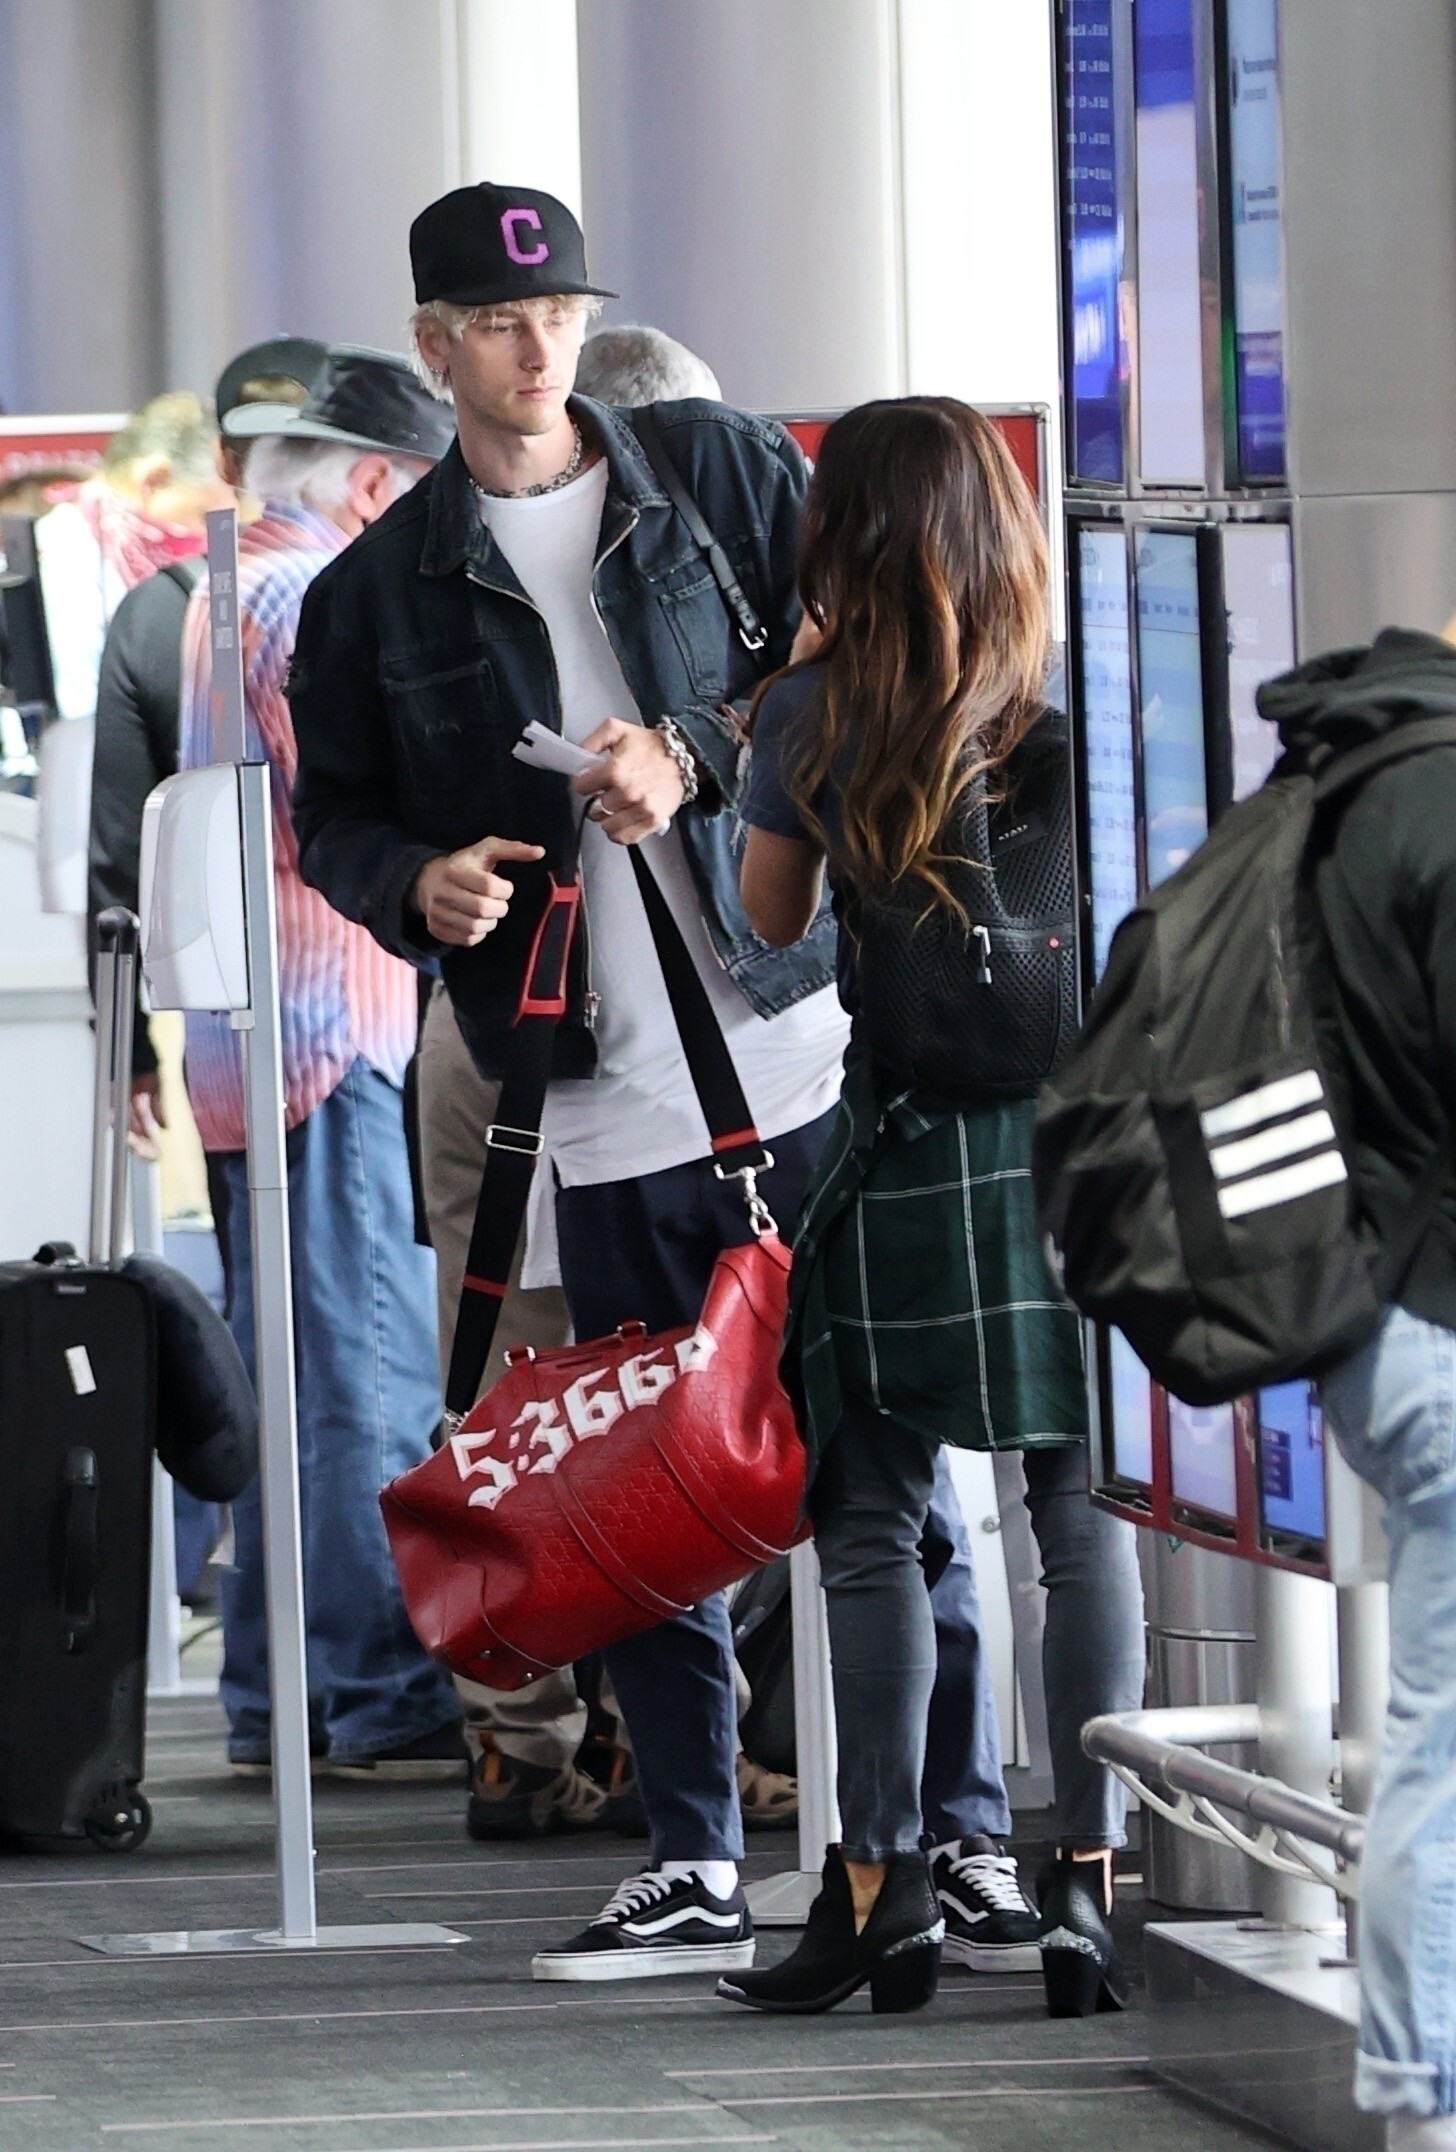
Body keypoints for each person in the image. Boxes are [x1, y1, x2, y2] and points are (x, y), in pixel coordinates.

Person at [288, 181, 850, 1978]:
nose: (539, 348)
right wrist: (417, 885)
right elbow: (335, 817)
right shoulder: (377, 590)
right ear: (434, 346)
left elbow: (839, 676)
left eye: (561, 314)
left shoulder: (720, 475)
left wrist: (691, 751)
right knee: (640, 1479)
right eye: (499, 322)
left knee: (876, 1457)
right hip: (584, 1079)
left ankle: (935, 1838)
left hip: (796, 1036)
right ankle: (695, 1854)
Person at [724, 396, 1145, 2018]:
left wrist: (786, 708)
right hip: (1071, 1149)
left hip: (903, 1144)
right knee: (1077, 1517)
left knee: (872, 1526)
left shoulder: (814, 712)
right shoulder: (1079, 695)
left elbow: (769, 929)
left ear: (848, 536)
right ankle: (1085, 1887)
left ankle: (882, 1891)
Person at [414, 319, 732, 1848]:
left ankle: (531, 1733)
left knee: (522, 1381)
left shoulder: (459, 571)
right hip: (564, 1041)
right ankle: (613, 1737)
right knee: (636, 1382)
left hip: (492, 1029)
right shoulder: (640, 584)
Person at [181, 347, 467, 1780]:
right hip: (331, 1024)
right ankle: (384, 1686)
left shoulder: (219, 588)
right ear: (370, 488)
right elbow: (341, 809)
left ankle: (275, 1691)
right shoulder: (311, 599)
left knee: (280, 1385)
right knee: (363, 1370)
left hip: (245, 1041)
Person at [1260, 632, 1456, 2152]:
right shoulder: (1442, 801)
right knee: (1444, 1744)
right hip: (1441, 1316)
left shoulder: (1327, 776)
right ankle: (1422, 2098)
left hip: (1366, 1318)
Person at [88, 338, 326, 1153]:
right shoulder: (369, 594)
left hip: (223, 1044)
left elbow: (120, 854)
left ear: (226, 460)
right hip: (367, 1029)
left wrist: (126, 1051)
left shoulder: (156, 613)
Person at [35, 391, 234, 913]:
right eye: (201, 515)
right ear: (154, 479)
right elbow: (78, 706)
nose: (200, 538)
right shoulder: (68, 553)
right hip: (84, 818)